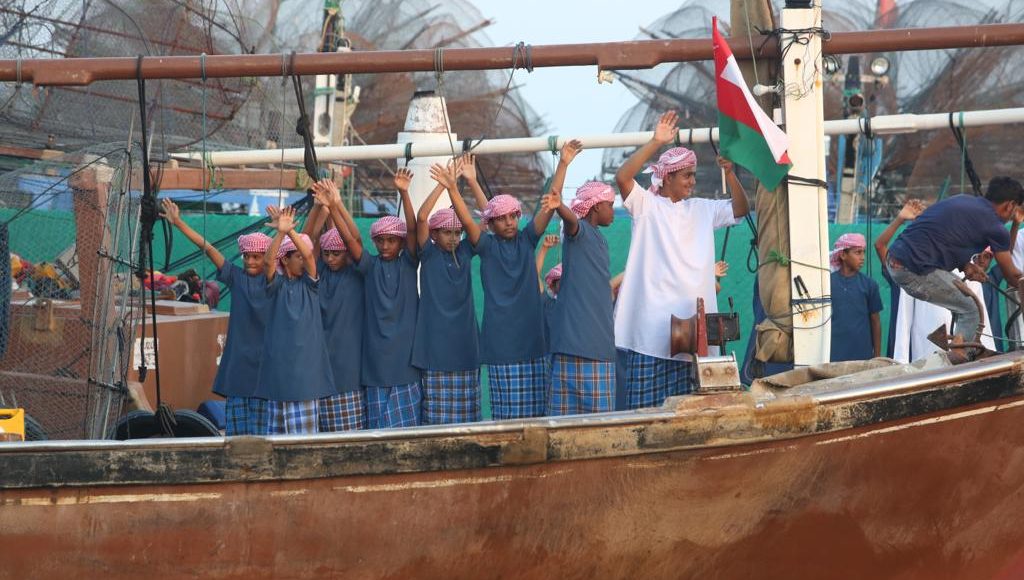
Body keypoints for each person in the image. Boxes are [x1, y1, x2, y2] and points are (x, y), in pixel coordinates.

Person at [613, 110, 749, 409]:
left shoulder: (701, 208)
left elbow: (740, 209)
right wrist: (656, 141)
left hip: (695, 331)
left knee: (692, 412)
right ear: (667, 177)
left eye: (693, 175)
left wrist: (730, 174)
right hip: (651, 329)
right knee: (646, 414)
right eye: (687, 175)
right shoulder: (647, 205)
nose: (692, 182)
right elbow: (622, 177)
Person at [447, 141, 574, 419]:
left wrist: (563, 163)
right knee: (505, 422)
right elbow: (469, 221)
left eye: (513, 216)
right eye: (501, 218)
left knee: (537, 419)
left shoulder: (528, 240)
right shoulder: (486, 247)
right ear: (490, 224)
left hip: (533, 343)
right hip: (501, 346)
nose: (508, 222)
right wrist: (454, 188)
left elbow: (550, 204)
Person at [161, 198, 271, 435]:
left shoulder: (276, 281)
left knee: (264, 434)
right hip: (239, 364)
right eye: (246, 256)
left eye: (257, 257)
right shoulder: (236, 277)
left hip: (267, 366)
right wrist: (178, 222)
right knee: (237, 435)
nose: (250, 261)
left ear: (268, 258)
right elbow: (209, 249)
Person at [886, 177, 1024, 360]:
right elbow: (1012, 276)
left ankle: (960, 347)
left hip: (895, 260)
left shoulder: (962, 200)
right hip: (914, 268)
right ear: (1010, 205)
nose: (1013, 216)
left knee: (965, 299)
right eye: (1015, 211)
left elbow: (943, 239)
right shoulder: (995, 227)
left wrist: (966, 265)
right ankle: (957, 361)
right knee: (971, 309)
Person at [411, 162, 481, 425]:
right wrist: (442, 185)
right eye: (446, 232)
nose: (453, 238)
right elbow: (421, 217)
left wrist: (457, 187)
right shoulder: (428, 254)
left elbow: (482, 222)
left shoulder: (465, 251)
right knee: (436, 421)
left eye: (457, 233)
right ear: (434, 234)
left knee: (467, 421)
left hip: (465, 345)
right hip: (435, 347)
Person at [256, 206, 335, 435]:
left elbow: (310, 255)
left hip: (306, 377)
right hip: (279, 375)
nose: (303, 260)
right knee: (276, 442)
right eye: (297, 257)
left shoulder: (310, 285)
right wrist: (281, 233)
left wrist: (290, 231)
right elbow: (268, 263)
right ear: (285, 259)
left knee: (305, 442)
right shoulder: (276, 286)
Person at [544, 177, 617, 416]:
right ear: (595, 206)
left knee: (598, 428)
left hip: (598, 348)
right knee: (564, 428)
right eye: (610, 205)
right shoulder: (580, 232)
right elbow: (572, 222)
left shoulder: (599, 238)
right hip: (575, 348)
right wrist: (560, 206)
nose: (613, 211)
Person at [356, 168, 422, 428]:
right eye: (380, 241)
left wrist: (404, 192)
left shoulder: (408, 263)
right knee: (377, 435)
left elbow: (414, 230)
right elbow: (351, 239)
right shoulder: (369, 266)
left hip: (406, 365)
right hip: (375, 367)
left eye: (391, 241)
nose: (385, 246)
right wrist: (334, 205)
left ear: (401, 243)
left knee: (407, 436)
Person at [306, 179, 367, 431]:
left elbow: (354, 238)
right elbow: (308, 241)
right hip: (319, 369)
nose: (330, 258)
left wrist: (336, 205)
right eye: (327, 253)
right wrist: (319, 207)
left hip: (349, 374)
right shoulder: (318, 272)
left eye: (336, 253)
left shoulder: (356, 273)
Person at [829, 233, 883, 361]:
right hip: (833, 354)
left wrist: (877, 356)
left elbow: (875, 321)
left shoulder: (869, 284)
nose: (862, 257)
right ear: (843, 255)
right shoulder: (827, 283)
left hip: (862, 355)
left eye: (863, 252)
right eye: (858, 252)